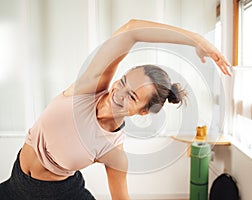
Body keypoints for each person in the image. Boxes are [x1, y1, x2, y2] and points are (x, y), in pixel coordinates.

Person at [0, 19, 231, 200]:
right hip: (15, 181)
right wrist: (196, 40)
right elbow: (131, 30)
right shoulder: (88, 88)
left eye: (132, 96)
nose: (119, 94)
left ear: (142, 112)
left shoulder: (114, 152)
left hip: (58, 194)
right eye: (123, 82)